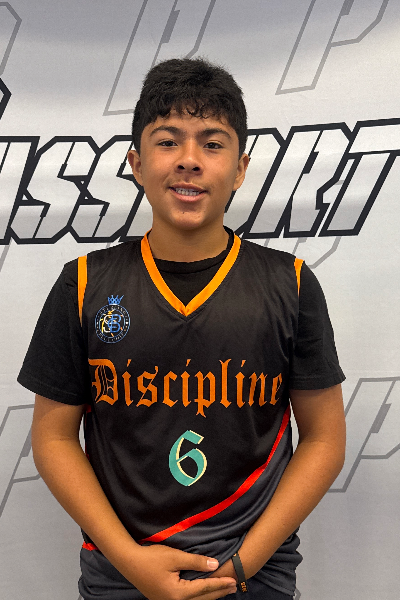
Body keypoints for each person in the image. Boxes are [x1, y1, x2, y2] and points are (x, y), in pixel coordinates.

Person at [18, 57, 346, 600]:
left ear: (240, 169)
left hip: (254, 574)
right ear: (135, 162)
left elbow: (325, 439)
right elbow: (53, 439)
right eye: (168, 141)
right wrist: (129, 560)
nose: (189, 160)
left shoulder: (289, 283)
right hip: (121, 573)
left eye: (212, 144)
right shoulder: (83, 283)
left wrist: (241, 564)